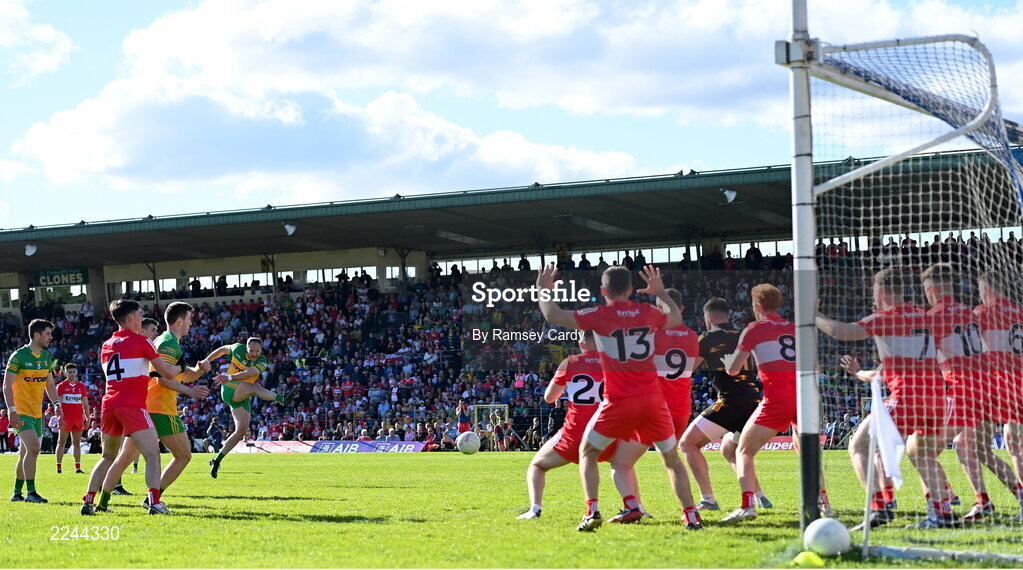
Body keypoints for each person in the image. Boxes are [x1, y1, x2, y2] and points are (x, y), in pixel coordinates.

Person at [536, 263, 701, 531]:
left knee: (588, 452)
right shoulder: (648, 312)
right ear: (632, 289)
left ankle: (592, 511)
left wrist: (543, 288)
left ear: (603, 291)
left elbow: (552, 314)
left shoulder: (598, 314)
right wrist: (661, 293)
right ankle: (691, 515)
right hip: (652, 400)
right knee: (671, 458)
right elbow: (675, 318)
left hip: (619, 400)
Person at [816, 267, 954, 529]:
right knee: (923, 456)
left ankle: (880, 508)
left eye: (875, 293)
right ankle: (943, 512)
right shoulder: (925, 317)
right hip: (936, 397)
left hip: (907, 397)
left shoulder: (885, 317)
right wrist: (860, 373)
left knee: (858, 446)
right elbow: (891, 366)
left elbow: (841, 331)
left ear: (881, 292)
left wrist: (814, 315)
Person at [720, 284, 830, 523]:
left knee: (743, 451)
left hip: (777, 398)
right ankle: (825, 504)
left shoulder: (754, 329)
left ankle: (748, 505)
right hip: (804, 397)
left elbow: (732, 369)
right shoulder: (795, 328)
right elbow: (817, 368)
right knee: (807, 453)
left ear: (757, 306)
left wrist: (732, 360)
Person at [922, 264, 1022, 524]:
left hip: (981, 385)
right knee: (981, 448)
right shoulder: (980, 312)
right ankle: (993, 500)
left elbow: (923, 349)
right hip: (993, 385)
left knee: (925, 449)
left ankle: (948, 504)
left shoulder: (979, 312)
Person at [102, 302, 211, 508]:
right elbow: (163, 377)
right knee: (183, 455)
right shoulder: (169, 343)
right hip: (161, 408)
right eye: (189, 319)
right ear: (179, 321)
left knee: (124, 458)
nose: (190, 323)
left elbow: (181, 374)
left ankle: (102, 500)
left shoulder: (165, 340)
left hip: (144, 406)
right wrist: (190, 391)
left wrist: (199, 371)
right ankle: (153, 499)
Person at [82, 299, 185, 515]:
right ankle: (155, 503)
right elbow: (166, 372)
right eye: (139, 315)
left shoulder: (106, 344)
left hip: (109, 404)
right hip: (132, 405)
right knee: (152, 455)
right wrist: (182, 366)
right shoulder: (142, 341)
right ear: (130, 319)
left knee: (107, 457)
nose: (141, 318)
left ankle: (89, 501)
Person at [606, 287, 699, 524]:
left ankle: (633, 507)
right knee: (672, 461)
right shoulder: (691, 336)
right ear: (682, 309)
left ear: (659, 309)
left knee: (620, 461)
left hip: (653, 408)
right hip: (680, 410)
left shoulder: (650, 334)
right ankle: (690, 513)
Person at [679, 298, 771, 512]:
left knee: (688, 444)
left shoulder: (707, 338)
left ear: (709, 317)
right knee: (730, 449)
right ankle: (760, 496)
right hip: (753, 400)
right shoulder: (744, 335)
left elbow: (688, 369)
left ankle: (708, 499)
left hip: (731, 401)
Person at [517, 332, 620, 519]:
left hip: (576, 433)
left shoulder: (570, 362)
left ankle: (535, 509)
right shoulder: (614, 362)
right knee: (621, 466)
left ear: (581, 343)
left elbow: (550, 397)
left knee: (537, 466)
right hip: (606, 430)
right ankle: (634, 506)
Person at [204, 338, 296, 478]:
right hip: (229, 388)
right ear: (246, 348)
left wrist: (228, 376)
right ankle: (282, 399)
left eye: (257, 351)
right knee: (255, 387)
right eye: (251, 350)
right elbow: (222, 350)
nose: (254, 353)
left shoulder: (262, 361)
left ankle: (216, 460)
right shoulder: (237, 349)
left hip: (241, 392)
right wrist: (207, 360)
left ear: (261, 350)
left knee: (241, 430)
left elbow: (248, 374)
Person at [974, 270, 1023, 521]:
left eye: (981, 290)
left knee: (980, 447)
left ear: (987, 289)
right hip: (1020, 380)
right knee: (1014, 442)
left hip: (998, 383)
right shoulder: (1019, 312)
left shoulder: (982, 312)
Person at [4, 319, 61, 503]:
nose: (51, 337)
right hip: (20, 411)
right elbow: (6, 386)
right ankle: (31, 493)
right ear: (37, 335)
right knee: (34, 449)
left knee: (25, 453)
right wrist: (11, 410)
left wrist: (57, 404)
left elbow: (50, 384)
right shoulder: (18, 356)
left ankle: (16, 493)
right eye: (48, 333)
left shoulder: (46, 357)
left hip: (37, 412)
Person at [113, 317, 160, 495]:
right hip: (131, 406)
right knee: (145, 453)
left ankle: (99, 495)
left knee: (121, 453)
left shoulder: (135, 347)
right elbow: (132, 379)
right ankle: (152, 499)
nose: (156, 333)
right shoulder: (140, 346)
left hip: (124, 403)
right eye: (153, 329)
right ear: (142, 331)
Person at [55, 363, 90, 475]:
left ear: (76, 373)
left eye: (74, 372)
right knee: (61, 442)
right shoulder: (61, 386)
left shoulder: (81, 386)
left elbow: (85, 404)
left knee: (76, 443)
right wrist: (59, 417)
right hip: (65, 419)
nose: (72, 374)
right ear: (66, 373)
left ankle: (77, 467)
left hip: (78, 419)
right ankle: (59, 468)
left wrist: (88, 418)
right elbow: (58, 404)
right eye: (69, 372)